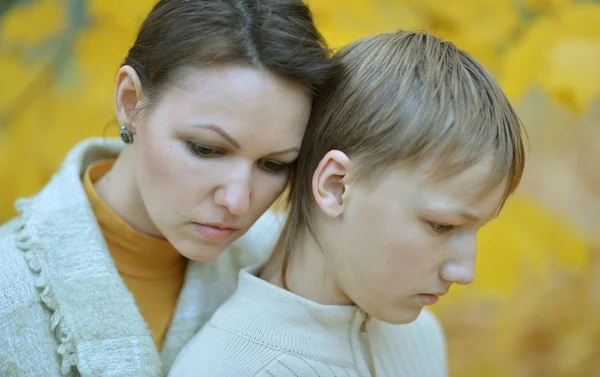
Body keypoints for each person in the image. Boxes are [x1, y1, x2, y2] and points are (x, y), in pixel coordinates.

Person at [0, 0, 334, 376]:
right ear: (131, 102)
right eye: (205, 148)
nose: (238, 202)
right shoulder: (8, 287)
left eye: (274, 165)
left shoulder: (287, 271)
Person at [168, 30, 527, 377]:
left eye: (476, 229)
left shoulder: (419, 336)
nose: (465, 272)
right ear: (336, 186)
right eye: (441, 225)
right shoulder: (230, 369)